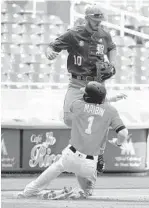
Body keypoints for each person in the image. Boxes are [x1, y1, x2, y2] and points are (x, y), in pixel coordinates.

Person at [46, 3, 127, 195]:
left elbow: (112, 48)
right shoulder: (73, 34)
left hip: (98, 84)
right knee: (68, 117)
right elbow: (53, 45)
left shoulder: (104, 34)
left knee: (101, 117)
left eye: (101, 19)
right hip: (77, 83)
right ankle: (86, 143)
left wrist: (113, 64)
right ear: (87, 17)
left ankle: (96, 159)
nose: (99, 22)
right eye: (96, 18)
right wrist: (50, 52)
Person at [17, 81, 130, 200]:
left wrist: (103, 99)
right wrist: (118, 143)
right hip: (90, 164)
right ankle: (80, 193)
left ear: (87, 96)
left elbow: (87, 103)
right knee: (87, 192)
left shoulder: (77, 105)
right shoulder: (111, 111)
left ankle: (29, 191)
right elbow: (123, 133)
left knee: (56, 168)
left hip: (70, 156)